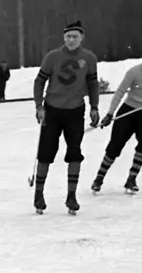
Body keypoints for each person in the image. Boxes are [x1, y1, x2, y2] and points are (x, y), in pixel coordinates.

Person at [31, 19, 100, 214]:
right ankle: (38, 194)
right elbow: (39, 81)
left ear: (81, 38)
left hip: (75, 111)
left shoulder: (89, 58)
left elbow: (93, 84)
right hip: (52, 110)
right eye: (68, 36)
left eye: (75, 36)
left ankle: (71, 195)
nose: (71, 40)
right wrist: (39, 106)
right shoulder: (53, 57)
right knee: (45, 153)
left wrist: (94, 107)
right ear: (63, 37)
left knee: (74, 153)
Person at [91, 36, 142, 195]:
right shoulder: (134, 72)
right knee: (115, 146)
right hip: (128, 111)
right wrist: (110, 113)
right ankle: (99, 178)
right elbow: (120, 92)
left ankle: (132, 179)